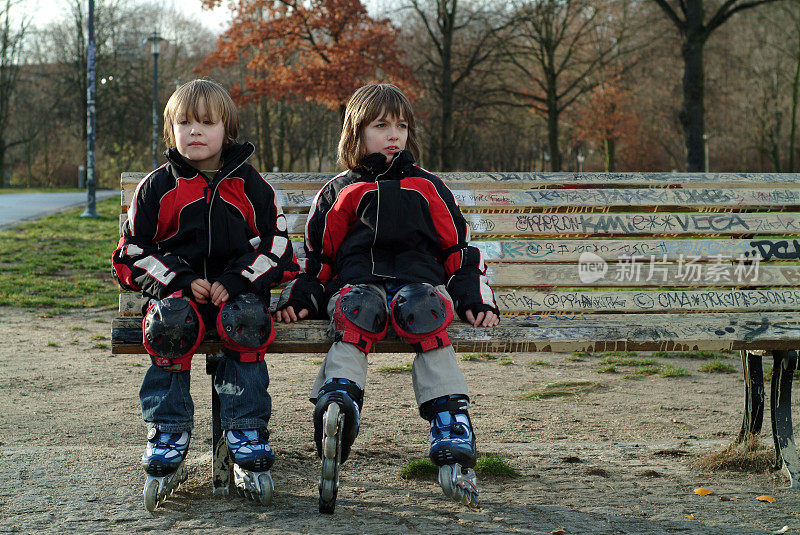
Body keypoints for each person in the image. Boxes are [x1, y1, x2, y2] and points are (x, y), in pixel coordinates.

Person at [276, 82, 499, 512]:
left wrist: (473, 296)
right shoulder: (341, 190)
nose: (394, 135)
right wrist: (304, 294)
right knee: (358, 312)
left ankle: (449, 418)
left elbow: (459, 250)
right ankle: (339, 402)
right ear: (356, 133)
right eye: (381, 126)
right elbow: (319, 255)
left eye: (401, 126)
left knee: (427, 313)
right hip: (359, 284)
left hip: (419, 284)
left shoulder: (428, 186)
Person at [112, 79, 297, 510]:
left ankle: (246, 428)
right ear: (170, 131)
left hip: (236, 296)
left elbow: (279, 247)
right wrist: (176, 279)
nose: (194, 131)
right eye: (184, 122)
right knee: (168, 324)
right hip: (179, 300)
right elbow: (130, 253)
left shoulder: (252, 186)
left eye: (206, 122)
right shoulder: (157, 187)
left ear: (226, 130)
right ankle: (168, 430)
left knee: (249, 321)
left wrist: (237, 280)